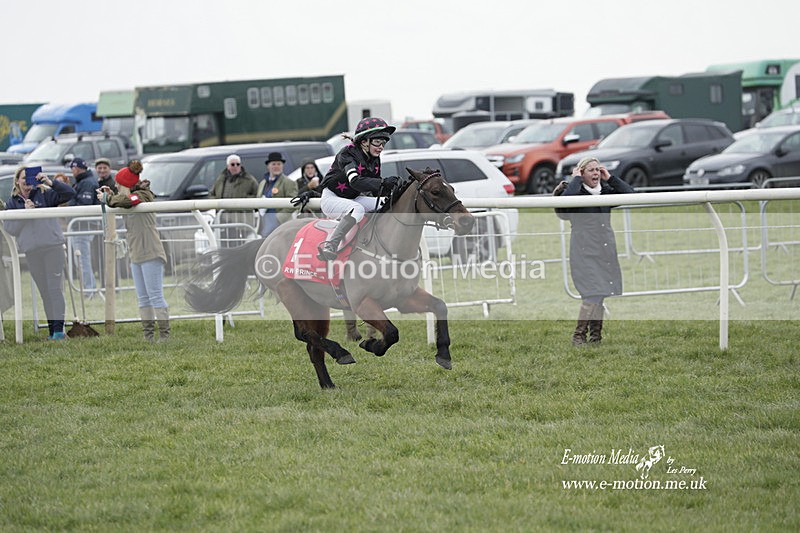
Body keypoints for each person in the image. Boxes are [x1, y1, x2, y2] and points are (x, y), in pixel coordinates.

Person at [554, 156, 634, 346]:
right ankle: (578, 336)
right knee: (592, 293)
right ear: (581, 173)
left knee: (600, 291)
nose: (596, 173)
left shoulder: (605, 192)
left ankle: (595, 338)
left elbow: (630, 193)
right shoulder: (575, 192)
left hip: (604, 249)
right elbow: (564, 205)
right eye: (591, 170)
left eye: (598, 169)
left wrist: (611, 178)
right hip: (583, 250)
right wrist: (575, 180)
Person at [99, 160, 170, 341]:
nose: (116, 185)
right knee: (143, 298)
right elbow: (122, 201)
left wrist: (109, 199)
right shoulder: (127, 197)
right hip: (136, 254)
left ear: (126, 184)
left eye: (118, 184)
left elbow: (129, 201)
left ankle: (164, 336)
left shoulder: (143, 195)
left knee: (155, 296)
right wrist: (111, 196)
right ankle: (148, 336)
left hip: (151, 252)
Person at [4, 166, 76, 340]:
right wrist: (25, 213)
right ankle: (53, 331)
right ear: (17, 181)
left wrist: (50, 182)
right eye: (23, 179)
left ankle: (59, 331)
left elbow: (69, 194)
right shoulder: (13, 202)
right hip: (32, 251)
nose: (27, 183)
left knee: (54, 289)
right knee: (44, 291)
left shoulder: (45, 194)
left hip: (52, 247)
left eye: (30, 179)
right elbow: (10, 228)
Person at [317, 117, 397, 261]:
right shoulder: (348, 153)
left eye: (384, 142)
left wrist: (393, 190)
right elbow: (355, 181)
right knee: (357, 209)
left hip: (353, 198)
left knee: (387, 202)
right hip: (332, 198)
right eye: (377, 141)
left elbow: (375, 190)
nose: (381, 147)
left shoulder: (374, 158)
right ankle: (330, 244)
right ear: (364, 141)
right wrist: (383, 182)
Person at [209, 154, 259, 246]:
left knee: (240, 245)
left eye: (238, 164)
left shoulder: (249, 180)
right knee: (225, 244)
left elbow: (257, 196)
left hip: (242, 220)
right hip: (224, 220)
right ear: (228, 166)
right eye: (233, 164)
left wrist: (243, 201)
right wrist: (218, 203)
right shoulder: (221, 179)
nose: (235, 166)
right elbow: (212, 194)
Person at [68, 157, 101, 294]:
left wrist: (71, 202)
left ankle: (89, 290)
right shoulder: (84, 181)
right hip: (83, 225)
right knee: (82, 260)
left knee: (82, 260)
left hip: (83, 225)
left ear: (76, 168)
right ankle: (90, 288)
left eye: (72, 168)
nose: (72, 171)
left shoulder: (86, 183)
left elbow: (84, 206)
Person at [256, 152, 298, 237]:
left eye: (279, 164)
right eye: (273, 164)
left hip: (280, 224)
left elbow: (294, 202)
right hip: (263, 221)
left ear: (282, 166)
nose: (276, 166)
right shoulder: (263, 183)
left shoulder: (289, 182)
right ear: (268, 166)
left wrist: (278, 218)